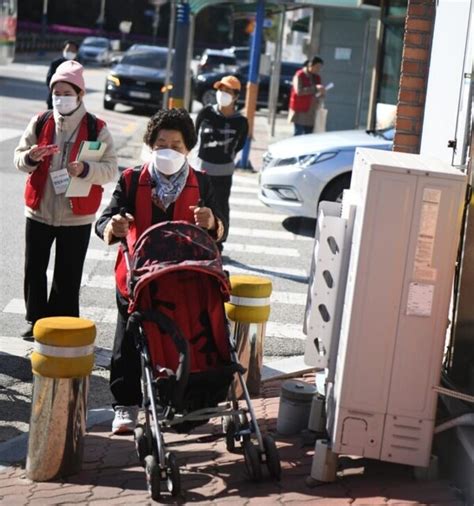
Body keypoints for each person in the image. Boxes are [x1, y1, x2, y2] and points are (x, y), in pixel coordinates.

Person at [95, 108, 227, 434]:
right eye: (161, 143)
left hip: (186, 276)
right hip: (139, 275)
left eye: (177, 145)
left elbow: (221, 230)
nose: (168, 150)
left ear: (188, 150)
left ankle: (187, 397)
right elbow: (104, 221)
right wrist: (113, 226)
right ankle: (126, 405)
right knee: (129, 336)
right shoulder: (130, 180)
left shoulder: (203, 183)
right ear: (150, 146)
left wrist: (212, 223)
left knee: (190, 334)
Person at [14, 60, 118, 340]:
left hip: (77, 213)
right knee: (33, 267)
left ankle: (61, 323)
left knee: (68, 272)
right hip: (39, 210)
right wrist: (30, 158)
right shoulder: (41, 121)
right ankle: (36, 319)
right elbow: (18, 157)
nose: (59, 98)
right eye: (55, 92)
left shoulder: (97, 128)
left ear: (80, 95)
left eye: (66, 92)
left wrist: (85, 169)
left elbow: (110, 169)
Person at [194, 75, 249, 252]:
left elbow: (239, 144)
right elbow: (194, 135)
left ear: (236, 96)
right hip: (202, 170)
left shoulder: (241, 122)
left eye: (227, 91)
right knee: (199, 208)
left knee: (220, 208)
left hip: (224, 173)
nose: (222, 94)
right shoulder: (206, 113)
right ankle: (199, 243)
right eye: (220, 90)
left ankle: (217, 244)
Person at [288, 56, 325, 136]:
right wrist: (315, 88)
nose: (318, 69)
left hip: (311, 111)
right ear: (310, 65)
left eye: (320, 67)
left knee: (308, 136)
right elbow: (299, 91)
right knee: (298, 134)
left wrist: (322, 92)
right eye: (317, 67)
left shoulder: (317, 77)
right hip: (300, 111)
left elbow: (317, 94)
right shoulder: (299, 75)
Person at [46, 40, 79, 109]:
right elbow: (49, 80)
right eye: (68, 50)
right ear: (63, 50)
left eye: (72, 51)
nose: (70, 52)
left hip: (71, 102)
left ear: (76, 52)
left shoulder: (77, 66)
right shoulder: (56, 63)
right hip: (55, 100)